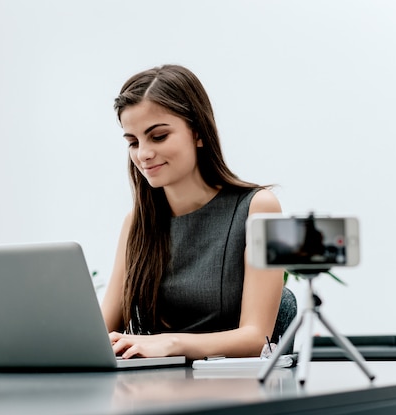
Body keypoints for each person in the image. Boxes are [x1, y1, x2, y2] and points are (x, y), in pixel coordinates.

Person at [101, 64, 283, 361]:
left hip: (231, 390)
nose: (143, 154)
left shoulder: (258, 207)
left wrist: (169, 344)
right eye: (133, 142)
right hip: (151, 390)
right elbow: (102, 331)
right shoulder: (137, 223)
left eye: (158, 136)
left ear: (198, 132)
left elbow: (256, 337)